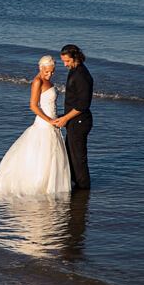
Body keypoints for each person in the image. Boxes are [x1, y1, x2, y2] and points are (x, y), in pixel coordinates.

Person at [0, 56, 71, 198]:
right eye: (47, 72)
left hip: (54, 123)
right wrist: (49, 120)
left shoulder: (48, 81)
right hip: (44, 124)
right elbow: (33, 106)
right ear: (40, 68)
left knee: (52, 155)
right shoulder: (37, 82)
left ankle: (51, 184)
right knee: (42, 155)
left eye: (52, 72)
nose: (50, 74)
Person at [53, 44, 93, 190]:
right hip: (73, 120)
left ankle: (84, 190)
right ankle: (76, 187)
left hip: (80, 122)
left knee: (78, 159)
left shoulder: (82, 75)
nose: (65, 64)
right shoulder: (74, 71)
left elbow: (83, 104)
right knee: (71, 155)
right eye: (63, 61)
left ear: (75, 57)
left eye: (67, 61)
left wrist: (65, 118)